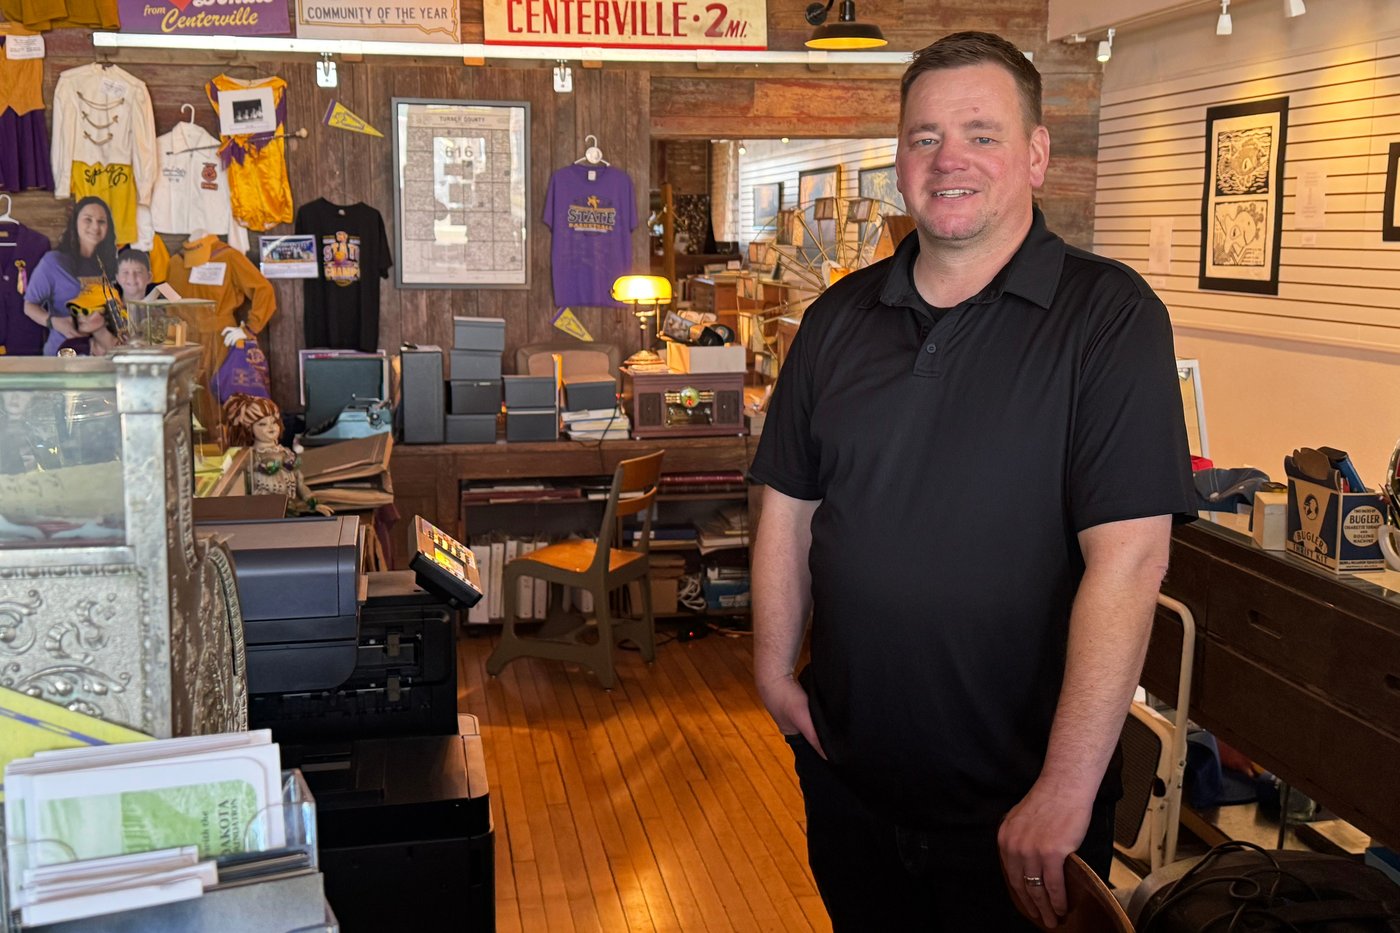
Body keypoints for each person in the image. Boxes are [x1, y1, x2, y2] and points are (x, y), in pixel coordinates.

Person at [749, 31, 1196, 932]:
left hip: (1020, 817)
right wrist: (769, 669)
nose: (948, 159)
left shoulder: (1108, 318)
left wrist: (1067, 792)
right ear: (902, 160)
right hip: (849, 783)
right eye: (924, 137)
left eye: (982, 134)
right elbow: (786, 509)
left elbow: (1132, 561)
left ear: (1036, 154)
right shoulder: (837, 316)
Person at [22, 196, 121, 356]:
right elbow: (29, 305)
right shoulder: (53, 262)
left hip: (105, 355)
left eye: (101, 221)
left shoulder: (112, 264)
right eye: (88, 219)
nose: (95, 227)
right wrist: (54, 322)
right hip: (64, 354)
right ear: (75, 222)